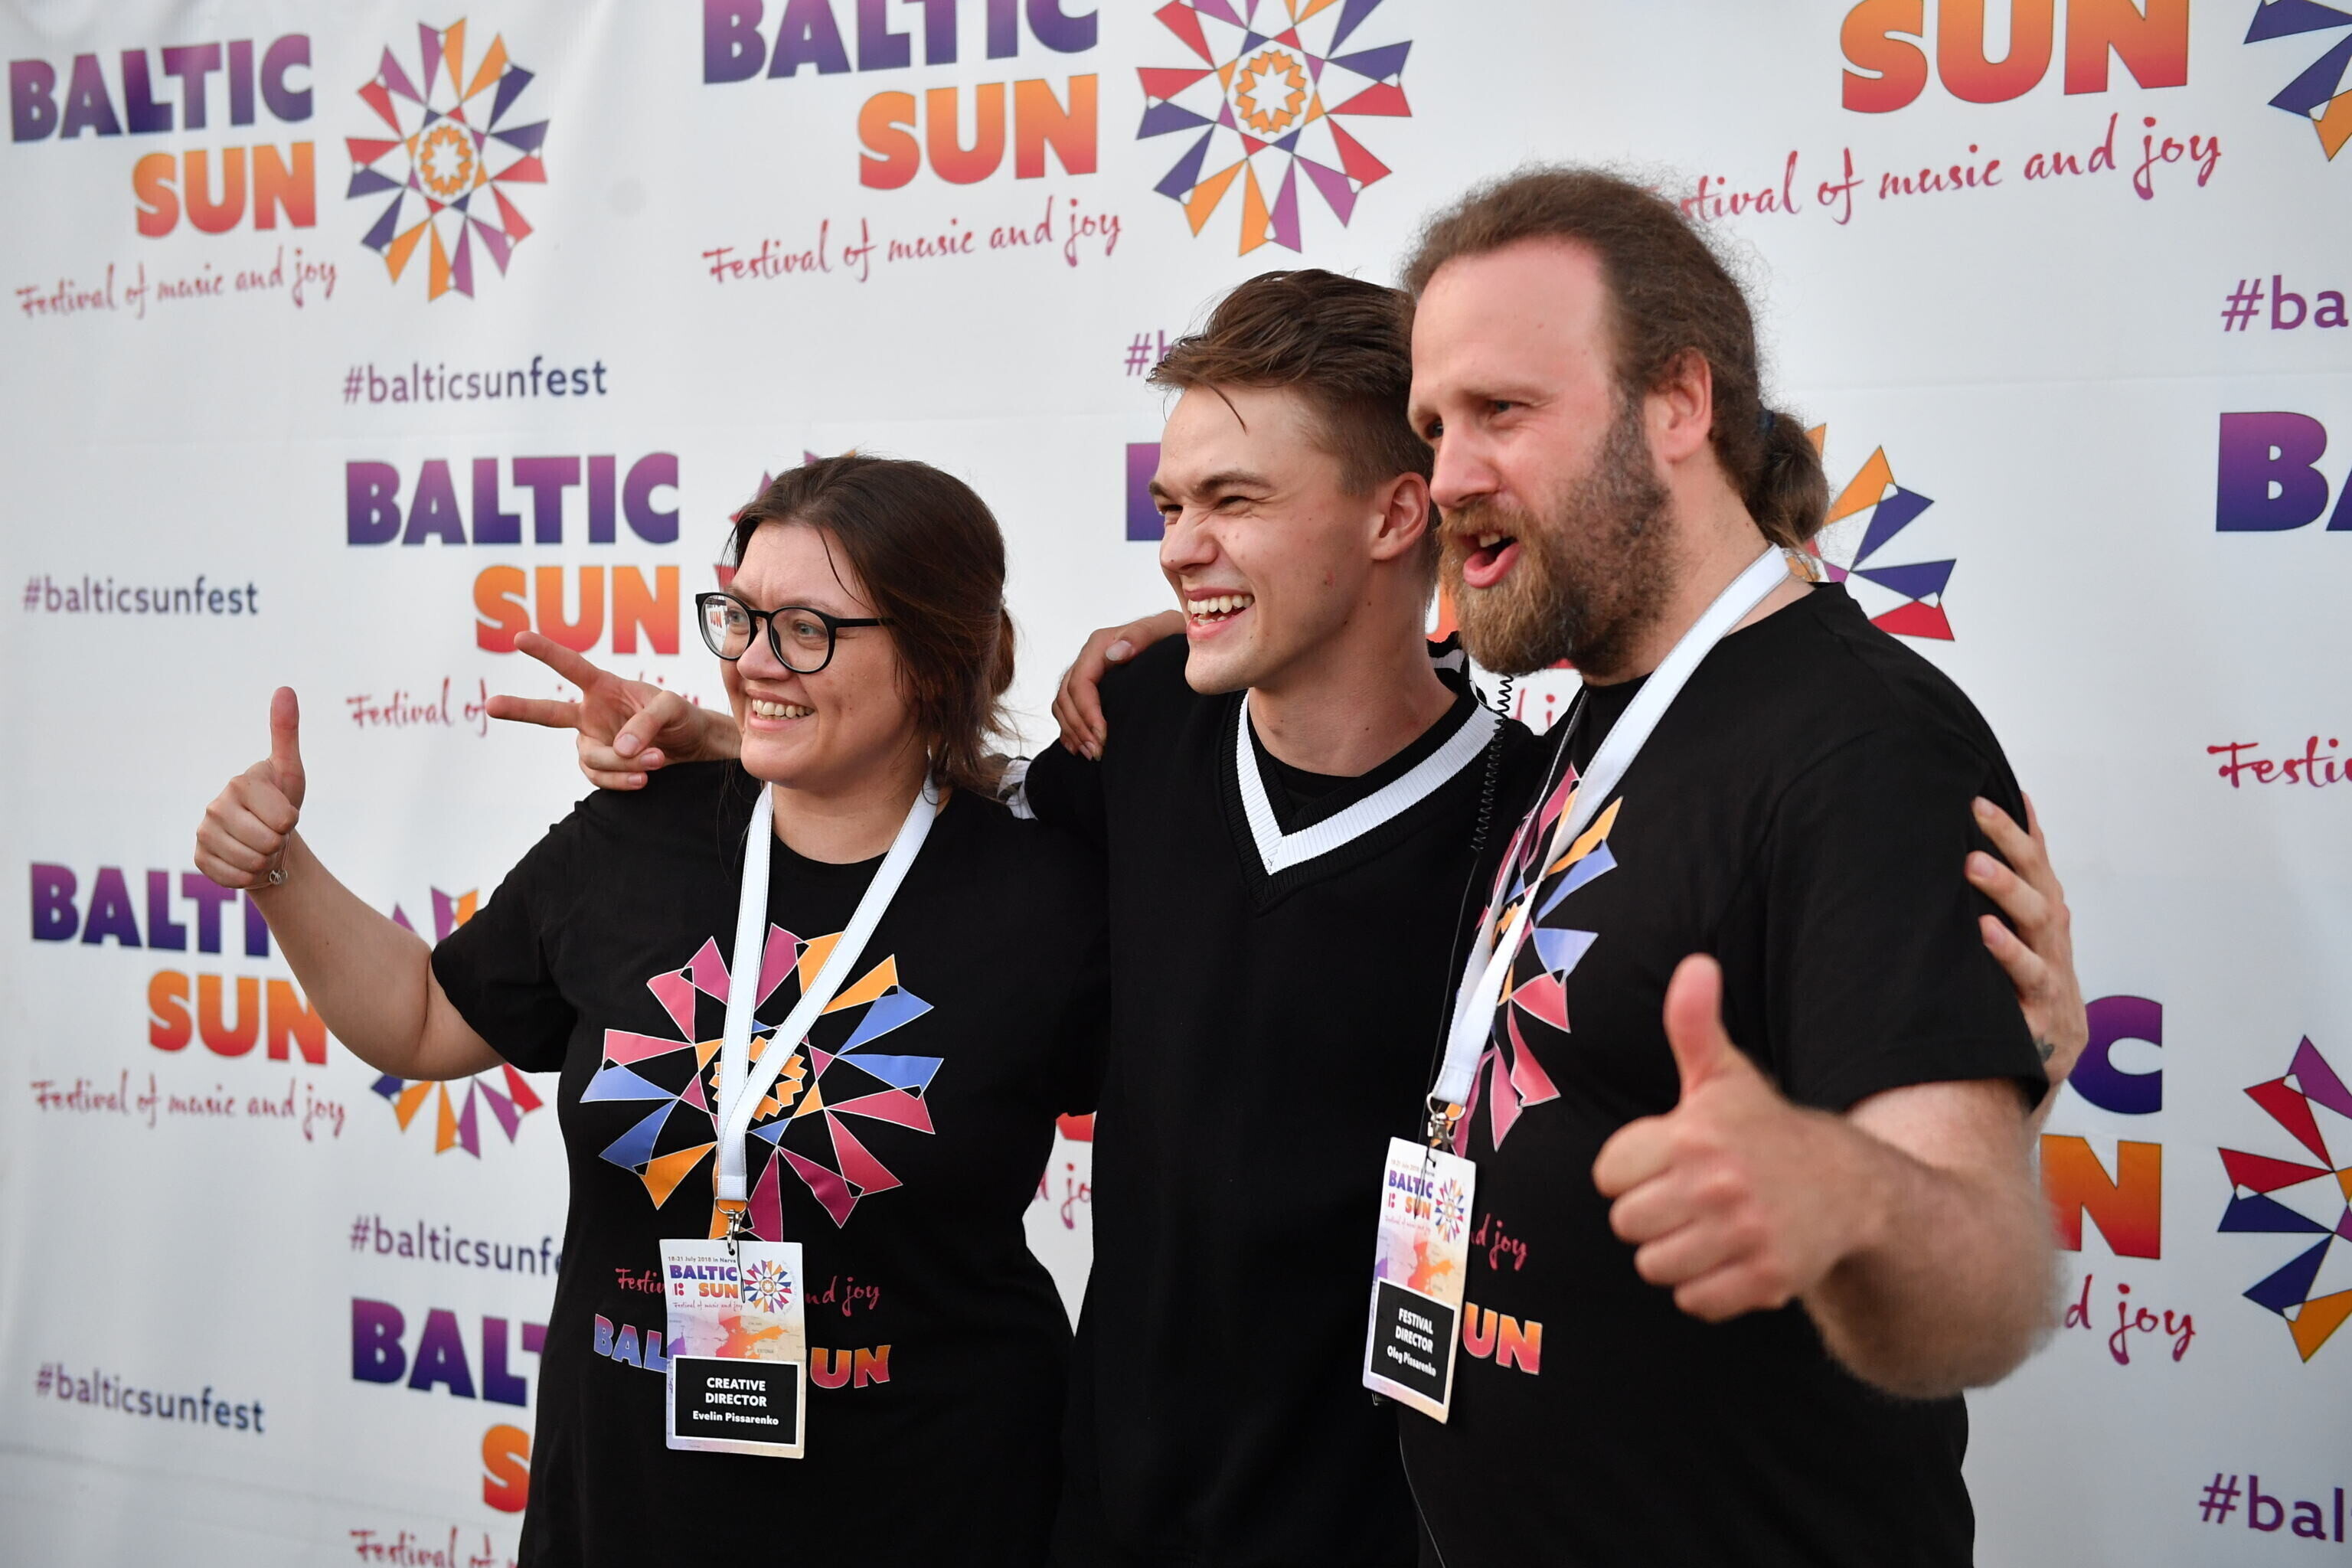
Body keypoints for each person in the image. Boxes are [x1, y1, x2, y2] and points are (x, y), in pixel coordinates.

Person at [511, 273, 2083, 1567]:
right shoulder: (1133, 737)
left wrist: (1986, 1046)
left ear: (1399, 516)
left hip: (1388, 1516)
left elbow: (1797, 1035)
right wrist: (737, 740)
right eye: (1172, 500)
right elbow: (932, 858)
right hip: (1109, 1507)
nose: (1179, 541)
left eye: (1233, 498)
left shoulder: (1547, 803)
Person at [194, 456, 1106, 1566]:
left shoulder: (1048, 896)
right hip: (624, 1514)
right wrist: (279, 867)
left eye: (807, 630)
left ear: (932, 655)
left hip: (939, 1514)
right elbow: (423, 1019)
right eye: (741, 617)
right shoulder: (637, 835)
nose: (754, 661)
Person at [1390, 166, 2064, 1565]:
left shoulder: (1863, 748)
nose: (1449, 475)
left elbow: (1992, 1285)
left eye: (1502, 410)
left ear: (1680, 404)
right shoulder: (1593, 715)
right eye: (1434, 425)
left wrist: (1848, 1194)